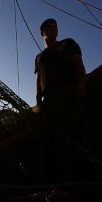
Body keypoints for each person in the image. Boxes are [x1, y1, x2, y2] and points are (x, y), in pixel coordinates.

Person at [34, 18, 88, 147]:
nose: (53, 28)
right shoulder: (38, 57)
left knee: (76, 132)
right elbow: (39, 77)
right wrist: (38, 98)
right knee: (56, 137)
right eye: (49, 27)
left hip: (68, 93)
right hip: (49, 100)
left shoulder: (67, 43)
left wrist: (82, 83)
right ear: (42, 33)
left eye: (55, 26)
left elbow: (77, 62)